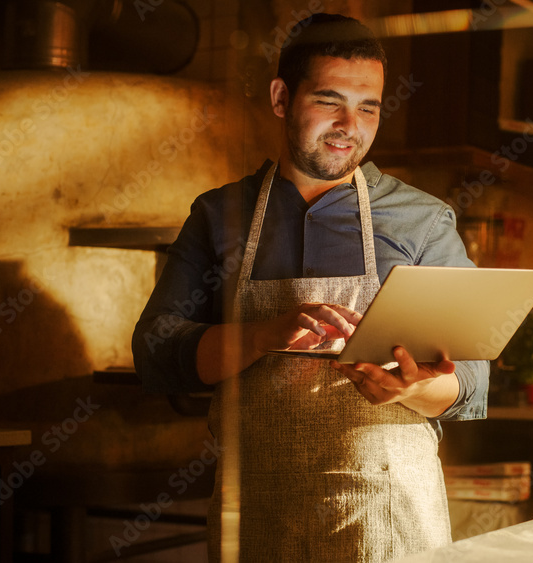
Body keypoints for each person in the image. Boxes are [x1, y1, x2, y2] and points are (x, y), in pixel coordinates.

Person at [132, 13, 490, 562]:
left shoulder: (421, 220)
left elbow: (470, 373)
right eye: (329, 100)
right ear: (281, 97)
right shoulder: (219, 214)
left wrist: (411, 389)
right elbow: (156, 350)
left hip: (388, 518)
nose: (351, 124)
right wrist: (256, 337)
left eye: (368, 107)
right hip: (255, 514)